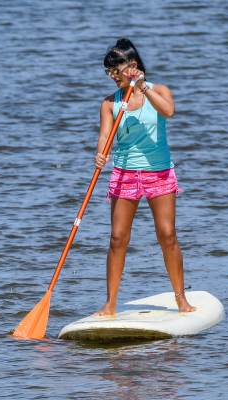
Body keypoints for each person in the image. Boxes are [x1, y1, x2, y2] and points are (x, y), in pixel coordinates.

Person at [93, 38, 196, 316]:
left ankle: (181, 300)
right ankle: (110, 303)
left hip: (159, 173)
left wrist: (142, 88)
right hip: (124, 174)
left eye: (117, 71)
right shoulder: (109, 103)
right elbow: (104, 137)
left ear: (133, 66)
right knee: (117, 238)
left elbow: (169, 111)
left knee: (167, 235)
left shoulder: (159, 90)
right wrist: (100, 154)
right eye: (109, 73)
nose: (113, 77)